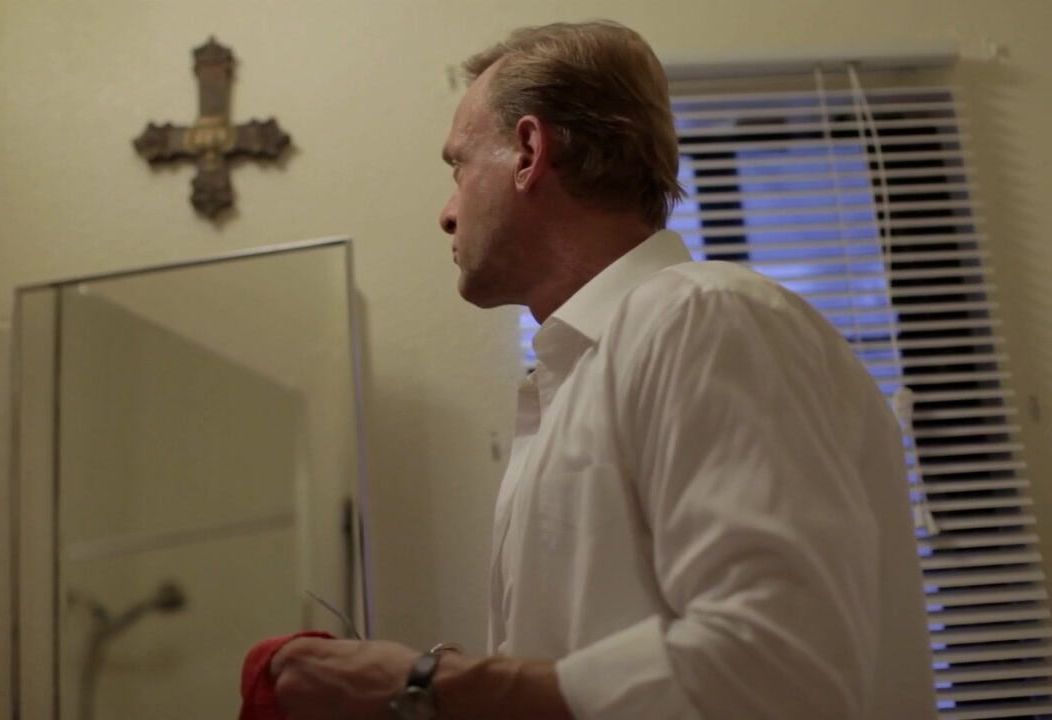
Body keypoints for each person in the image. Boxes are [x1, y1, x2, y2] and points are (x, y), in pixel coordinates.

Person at [270, 20, 937, 720]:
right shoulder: (585, 374)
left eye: (457, 166)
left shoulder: (704, 316)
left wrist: (435, 685)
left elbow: (778, 671)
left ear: (529, 152)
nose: (446, 212)